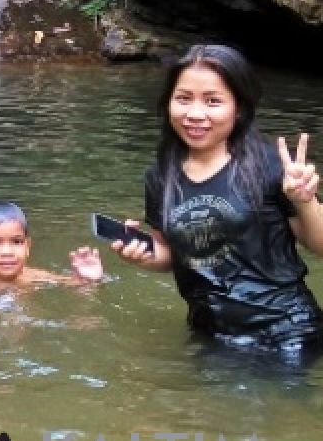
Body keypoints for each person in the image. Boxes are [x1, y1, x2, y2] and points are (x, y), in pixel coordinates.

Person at [112, 44, 323, 354]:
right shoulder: (160, 176)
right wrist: (141, 253)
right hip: (210, 331)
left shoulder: (270, 166)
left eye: (213, 101)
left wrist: (306, 201)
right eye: (183, 99)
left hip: (284, 332)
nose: (195, 114)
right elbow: (174, 255)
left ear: (238, 108)